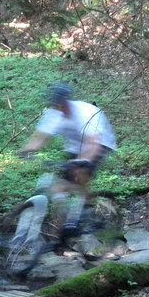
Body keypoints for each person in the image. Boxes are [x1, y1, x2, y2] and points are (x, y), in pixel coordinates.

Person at [19, 82, 116, 236]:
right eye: (56, 105)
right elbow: (40, 138)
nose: (59, 108)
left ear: (66, 101)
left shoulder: (84, 112)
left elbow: (93, 142)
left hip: (99, 143)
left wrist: (82, 161)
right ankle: (62, 225)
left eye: (62, 104)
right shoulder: (53, 114)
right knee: (59, 187)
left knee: (79, 170)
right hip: (75, 147)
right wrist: (24, 150)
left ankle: (87, 202)